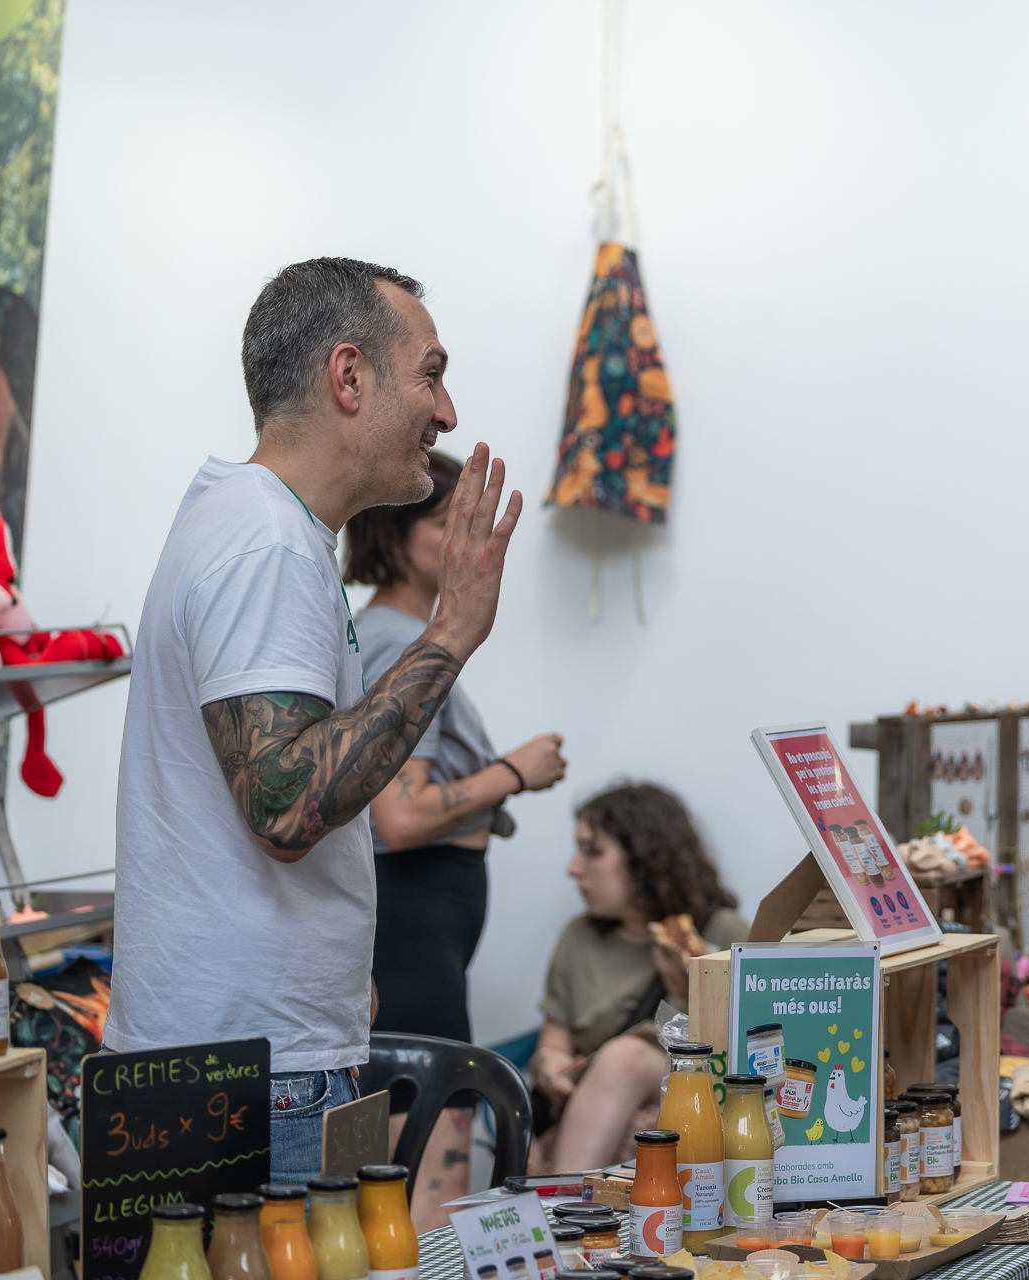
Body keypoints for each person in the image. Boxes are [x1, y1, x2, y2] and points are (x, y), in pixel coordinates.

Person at [110, 257, 523, 1185]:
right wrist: (451, 632)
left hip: (242, 1056)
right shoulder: (267, 543)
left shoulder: (253, 524)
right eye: (430, 375)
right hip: (252, 1076)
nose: (446, 411)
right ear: (349, 376)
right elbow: (285, 805)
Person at [342, 449, 568, 1225]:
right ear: (395, 535)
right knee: (427, 1203)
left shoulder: (394, 633)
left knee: (405, 1191)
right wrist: (513, 772)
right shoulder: (395, 642)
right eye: (447, 523)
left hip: (422, 935)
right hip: (411, 938)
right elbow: (400, 815)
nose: (467, 541)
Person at [528, 783, 749, 1173]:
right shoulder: (579, 937)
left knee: (624, 1059)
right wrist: (552, 1067)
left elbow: (754, 1049)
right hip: (592, 1110)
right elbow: (553, 1043)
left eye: (593, 851)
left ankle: (569, 1199)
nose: (573, 868)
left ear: (646, 858)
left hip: (698, 1095)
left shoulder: (721, 931)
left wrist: (698, 992)